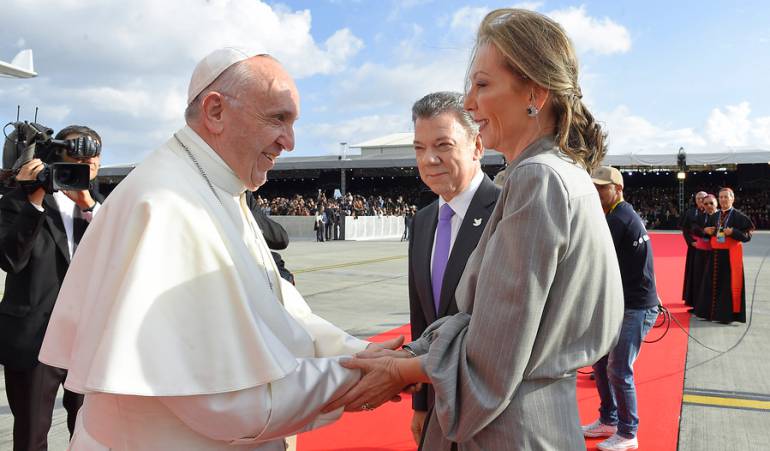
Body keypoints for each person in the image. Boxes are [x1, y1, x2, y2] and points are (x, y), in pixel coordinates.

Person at [37, 48, 401, 450]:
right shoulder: (167, 205)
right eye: (278, 118)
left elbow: (284, 312)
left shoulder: (221, 188)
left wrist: (361, 352)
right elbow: (230, 404)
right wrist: (364, 375)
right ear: (215, 111)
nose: (290, 142)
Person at [325, 9, 624, 450]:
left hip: (509, 428)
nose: (469, 101)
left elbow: (495, 354)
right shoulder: (560, 172)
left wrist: (401, 371)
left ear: (535, 93)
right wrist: (412, 352)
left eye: (482, 85)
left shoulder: (536, 179)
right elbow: (482, 321)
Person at [0, 125, 104, 451]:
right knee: (31, 436)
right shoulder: (21, 199)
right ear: (55, 161)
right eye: (76, 162)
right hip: (34, 341)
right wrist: (34, 198)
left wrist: (88, 205)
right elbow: (10, 260)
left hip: (87, 339)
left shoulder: (101, 208)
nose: (84, 170)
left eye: (93, 164)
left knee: (92, 432)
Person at [407, 91, 500, 445]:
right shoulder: (423, 220)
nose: (429, 159)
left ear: (477, 146)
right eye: (419, 148)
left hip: (490, 410)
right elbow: (422, 320)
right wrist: (420, 403)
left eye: (443, 145)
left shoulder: (506, 213)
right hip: (437, 407)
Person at [583, 166, 660, 451]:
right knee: (602, 362)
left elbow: (592, 263)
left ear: (618, 189)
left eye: (602, 187)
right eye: (595, 186)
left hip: (636, 306)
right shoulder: (620, 214)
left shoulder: (618, 220)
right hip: (626, 302)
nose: (597, 191)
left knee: (618, 368)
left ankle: (628, 432)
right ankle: (608, 419)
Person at [695, 187, 754, 323]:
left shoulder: (739, 216)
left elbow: (747, 236)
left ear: (732, 198)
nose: (723, 199)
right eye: (720, 197)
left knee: (727, 286)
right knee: (710, 283)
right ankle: (708, 314)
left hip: (730, 256)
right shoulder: (714, 216)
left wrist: (733, 232)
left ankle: (725, 316)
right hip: (715, 255)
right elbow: (706, 235)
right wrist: (706, 231)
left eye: (726, 197)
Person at [681, 191, 707, 308]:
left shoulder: (711, 211)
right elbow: (685, 230)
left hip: (708, 247)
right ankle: (692, 299)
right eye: (698, 199)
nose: (700, 201)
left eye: (702, 198)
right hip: (694, 246)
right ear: (695, 200)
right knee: (694, 272)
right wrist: (691, 241)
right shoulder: (690, 212)